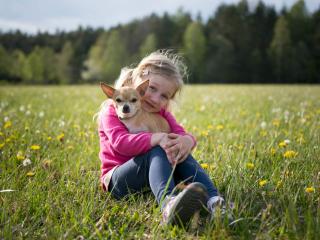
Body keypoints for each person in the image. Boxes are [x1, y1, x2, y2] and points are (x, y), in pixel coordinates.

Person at [97, 50, 227, 226]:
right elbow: (120, 144)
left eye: (164, 96)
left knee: (176, 147)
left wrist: (186, 141)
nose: (155, 98)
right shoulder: (113, 110)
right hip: (118, 180)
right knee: (159, 147)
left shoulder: (162, 115)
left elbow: (184, 134)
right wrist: (156, 138)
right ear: (139, 84)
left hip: (148, 181)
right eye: (151, 88)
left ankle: (215, 202)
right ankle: (169, 204)